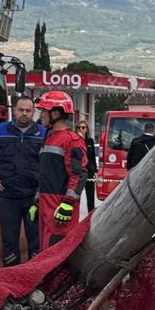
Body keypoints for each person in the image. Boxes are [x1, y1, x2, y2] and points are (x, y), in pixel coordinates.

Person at [0, 95, 46, 266]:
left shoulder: (43, 133)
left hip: (33, 199)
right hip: (8, 197)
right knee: (9, 243)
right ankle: (10, 285)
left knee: (36, 244)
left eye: (28, 111)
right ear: (14, 111)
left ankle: (35, 283)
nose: (24, 114)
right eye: (21, 110)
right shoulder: (1, 130)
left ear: (33, 112)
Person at [35, 90, 88, 251]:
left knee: (57, 252)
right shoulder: (49, 138)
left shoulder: (72, 140)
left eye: (44, 111)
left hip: (60, 207)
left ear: (56, 113)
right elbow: (46, 172)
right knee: (45, 250)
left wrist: (68, 204)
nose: (41, 115)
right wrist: (38, 199)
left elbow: (79, 174)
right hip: (46, 204)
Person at [77, 118, 99, 213]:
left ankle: (90, 216)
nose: (81, 129)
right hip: (78, 171)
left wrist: (95, 171)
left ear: (87, 129)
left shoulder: (90, 141)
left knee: (90, 197)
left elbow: (93, 157)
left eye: (83, 127)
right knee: (76, 196)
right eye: (79, 127)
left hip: (89, 172)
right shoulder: (75, 140)